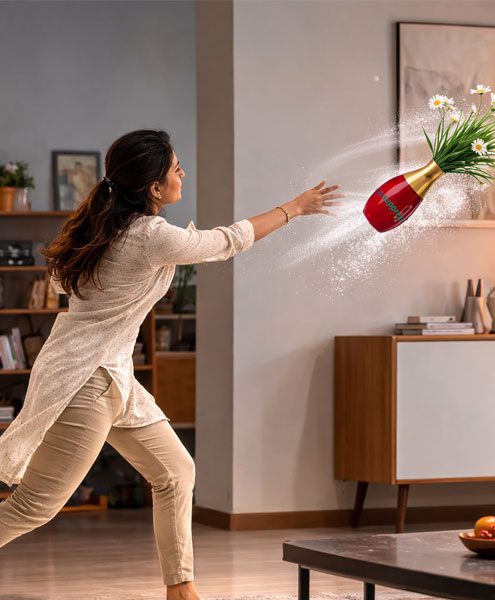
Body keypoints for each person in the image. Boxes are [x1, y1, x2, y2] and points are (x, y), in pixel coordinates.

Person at [0, 130, 344, 600]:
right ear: (154, 187)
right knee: (34, 506)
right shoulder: (148, 236)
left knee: (176, 472)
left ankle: (181, 590)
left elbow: (64, 283)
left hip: (113, 377)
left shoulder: (104, 226)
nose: (184, 174)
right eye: (176, 169)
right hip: (87, 379)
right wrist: (294, 208)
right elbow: (226, 241)